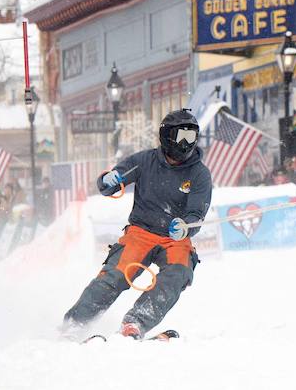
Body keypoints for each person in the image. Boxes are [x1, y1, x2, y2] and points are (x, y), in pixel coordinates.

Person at [61, 110, 212, 340]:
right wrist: (109, 180)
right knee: (117, 274)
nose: (185, 144)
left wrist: (187, 225)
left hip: (175, 238)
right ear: (167, 136)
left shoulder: (199, 174)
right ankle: (76, 323)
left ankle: (135, 322)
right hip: (140, 232)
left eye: (191, 137)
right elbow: (110, 184)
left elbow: (196, 213)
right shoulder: (145, 161)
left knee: (179, 272)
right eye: (181, 136)